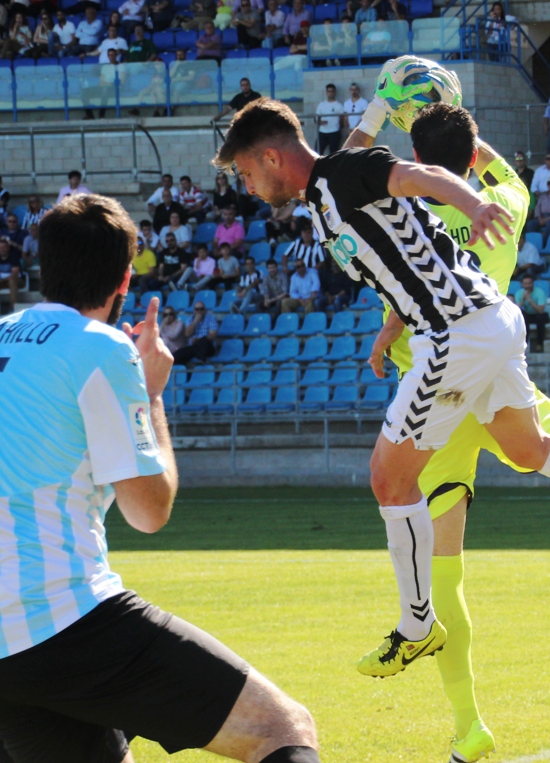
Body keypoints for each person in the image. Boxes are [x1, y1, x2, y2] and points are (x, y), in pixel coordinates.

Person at [232, 98, 550, 678]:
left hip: (452, 334)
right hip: (487, 319)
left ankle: (416, 624)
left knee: (387, 476)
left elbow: (418, 174)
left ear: (271, 157)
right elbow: (374, 195)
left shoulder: (343, 177)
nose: (247, 187)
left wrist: (474, 203)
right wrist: (378, 106)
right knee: (531, 450)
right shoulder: (328, 188)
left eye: (247, 173)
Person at [351, 102, 550, 763]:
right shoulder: (508, 203)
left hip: (433, 391)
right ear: (467, 158)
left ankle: (469, 726)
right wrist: (461, 121)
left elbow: (396, 281)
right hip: (493, 368)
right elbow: (485, 164)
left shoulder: (403, 217)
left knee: (444, 574)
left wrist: (389, 110)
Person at [0, 193, 322, 762]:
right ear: (126, 277)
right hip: (61, 617)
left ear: (41, 264)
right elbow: (148, 512)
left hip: (10, 647)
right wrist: (151, 392)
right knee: (283, 729)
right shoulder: (100, 347)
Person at [173, 298, 219, 363]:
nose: (199, 311)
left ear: (205, 310)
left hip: (208, 347)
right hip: (194, 347)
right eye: (197, 309)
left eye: (201, 309)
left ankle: (201, 361)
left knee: (204, 340)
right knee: (177, 355)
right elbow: (187, 334)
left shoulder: (211, 319)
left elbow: (212, 336)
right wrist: (195, 322)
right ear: (194, 311)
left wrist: (199, 340)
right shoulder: (190, 319)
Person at [513, 274, 548, 352]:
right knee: (522, 316)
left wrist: (529, 300)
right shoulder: (519, 293)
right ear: (522, 284)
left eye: (529, 283)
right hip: (527, 315)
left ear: (533, 283)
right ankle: (524, 343)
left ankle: (539, 344)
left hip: (538, 314)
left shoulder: (540, 292)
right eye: (525, 284)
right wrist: (523, 299)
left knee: (541, 318)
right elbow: (517, 310)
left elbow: (541, 310)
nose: (527, 286)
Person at [316, 83, 344, 155]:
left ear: (335, 92)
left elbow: (342, 120)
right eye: (329, 91)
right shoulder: (321, 105)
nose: (330, 93)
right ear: (326, 92)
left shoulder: (339, 105)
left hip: (334, 132)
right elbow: (316, 118)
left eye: (332, 91)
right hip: (322, 132)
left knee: (334, 153)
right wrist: (320, 122)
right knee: (317, 152)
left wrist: (337, 127)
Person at [0, 240, 21, 309]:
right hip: (3, 282)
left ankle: (13, 307)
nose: (2, 249)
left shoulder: (13, 257)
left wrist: (3, 280)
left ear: (8, 248)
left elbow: (14, 275)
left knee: (12, 281)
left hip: (18, 280)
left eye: (4, 247)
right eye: (0, 247)